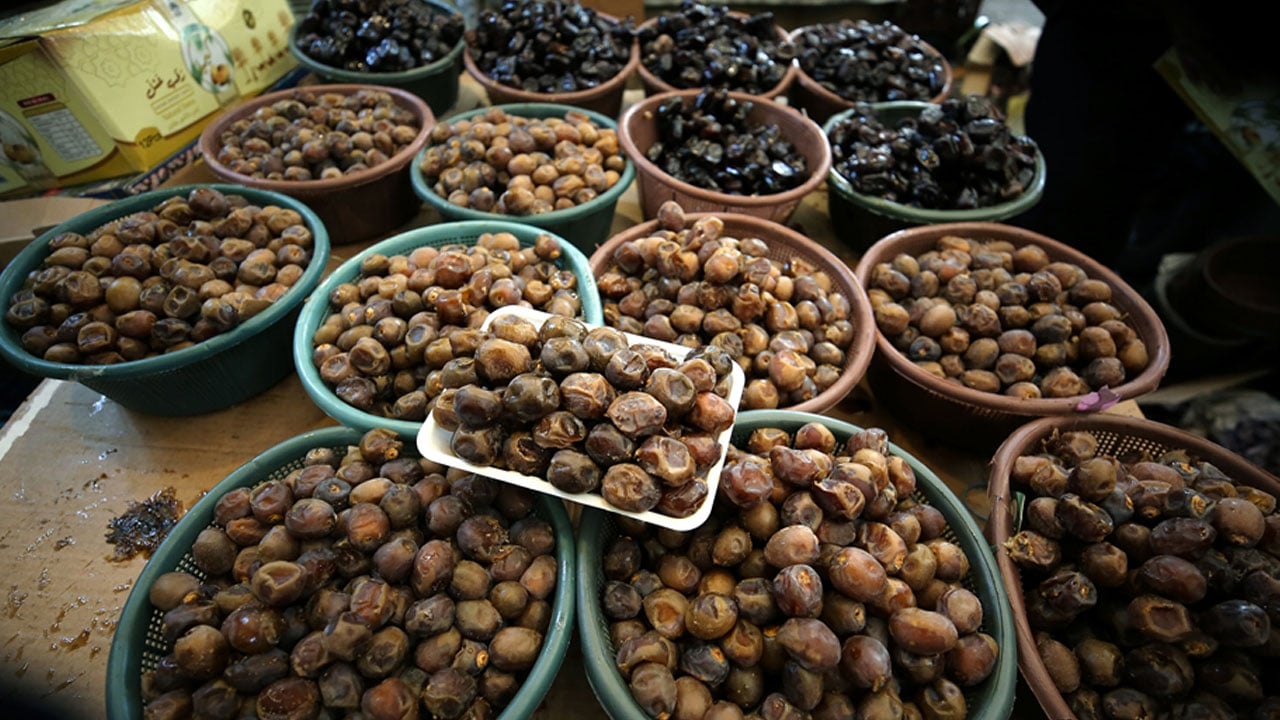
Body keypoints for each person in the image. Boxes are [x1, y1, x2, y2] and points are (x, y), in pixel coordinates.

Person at [1016, 0, 1279, 290]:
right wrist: (1181, 14)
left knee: (1204, 196)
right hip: (1125, 29)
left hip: (1248, 69)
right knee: (1073, 189)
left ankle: (1144, 275)